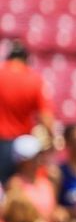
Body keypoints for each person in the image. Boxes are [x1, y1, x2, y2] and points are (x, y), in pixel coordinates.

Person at [0, 40, 54, 184]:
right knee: (25, 187)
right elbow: (46, 118)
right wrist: (52, 139)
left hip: (2, 142)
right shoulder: (34, 79)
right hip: (23, 146)